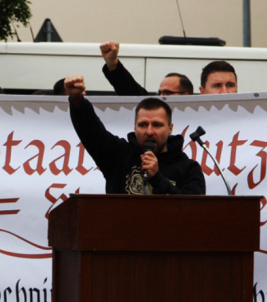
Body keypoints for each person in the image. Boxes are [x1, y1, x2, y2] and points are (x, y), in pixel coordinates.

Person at [64, 74, 205, 195]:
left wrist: (157, 177)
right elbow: (92, 132)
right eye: (143, 125)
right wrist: (77, 100)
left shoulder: (189, 169)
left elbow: (192, 211)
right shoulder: (120, 155)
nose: (149, 131)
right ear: (134, 127)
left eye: (157, 125)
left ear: (170, 129)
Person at [100, 41, 193, 96]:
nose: (161, 97)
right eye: (159, 93)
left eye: (167, 93)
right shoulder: (152, 112)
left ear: (185, 96)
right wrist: (112, 63)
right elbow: (130, 90)